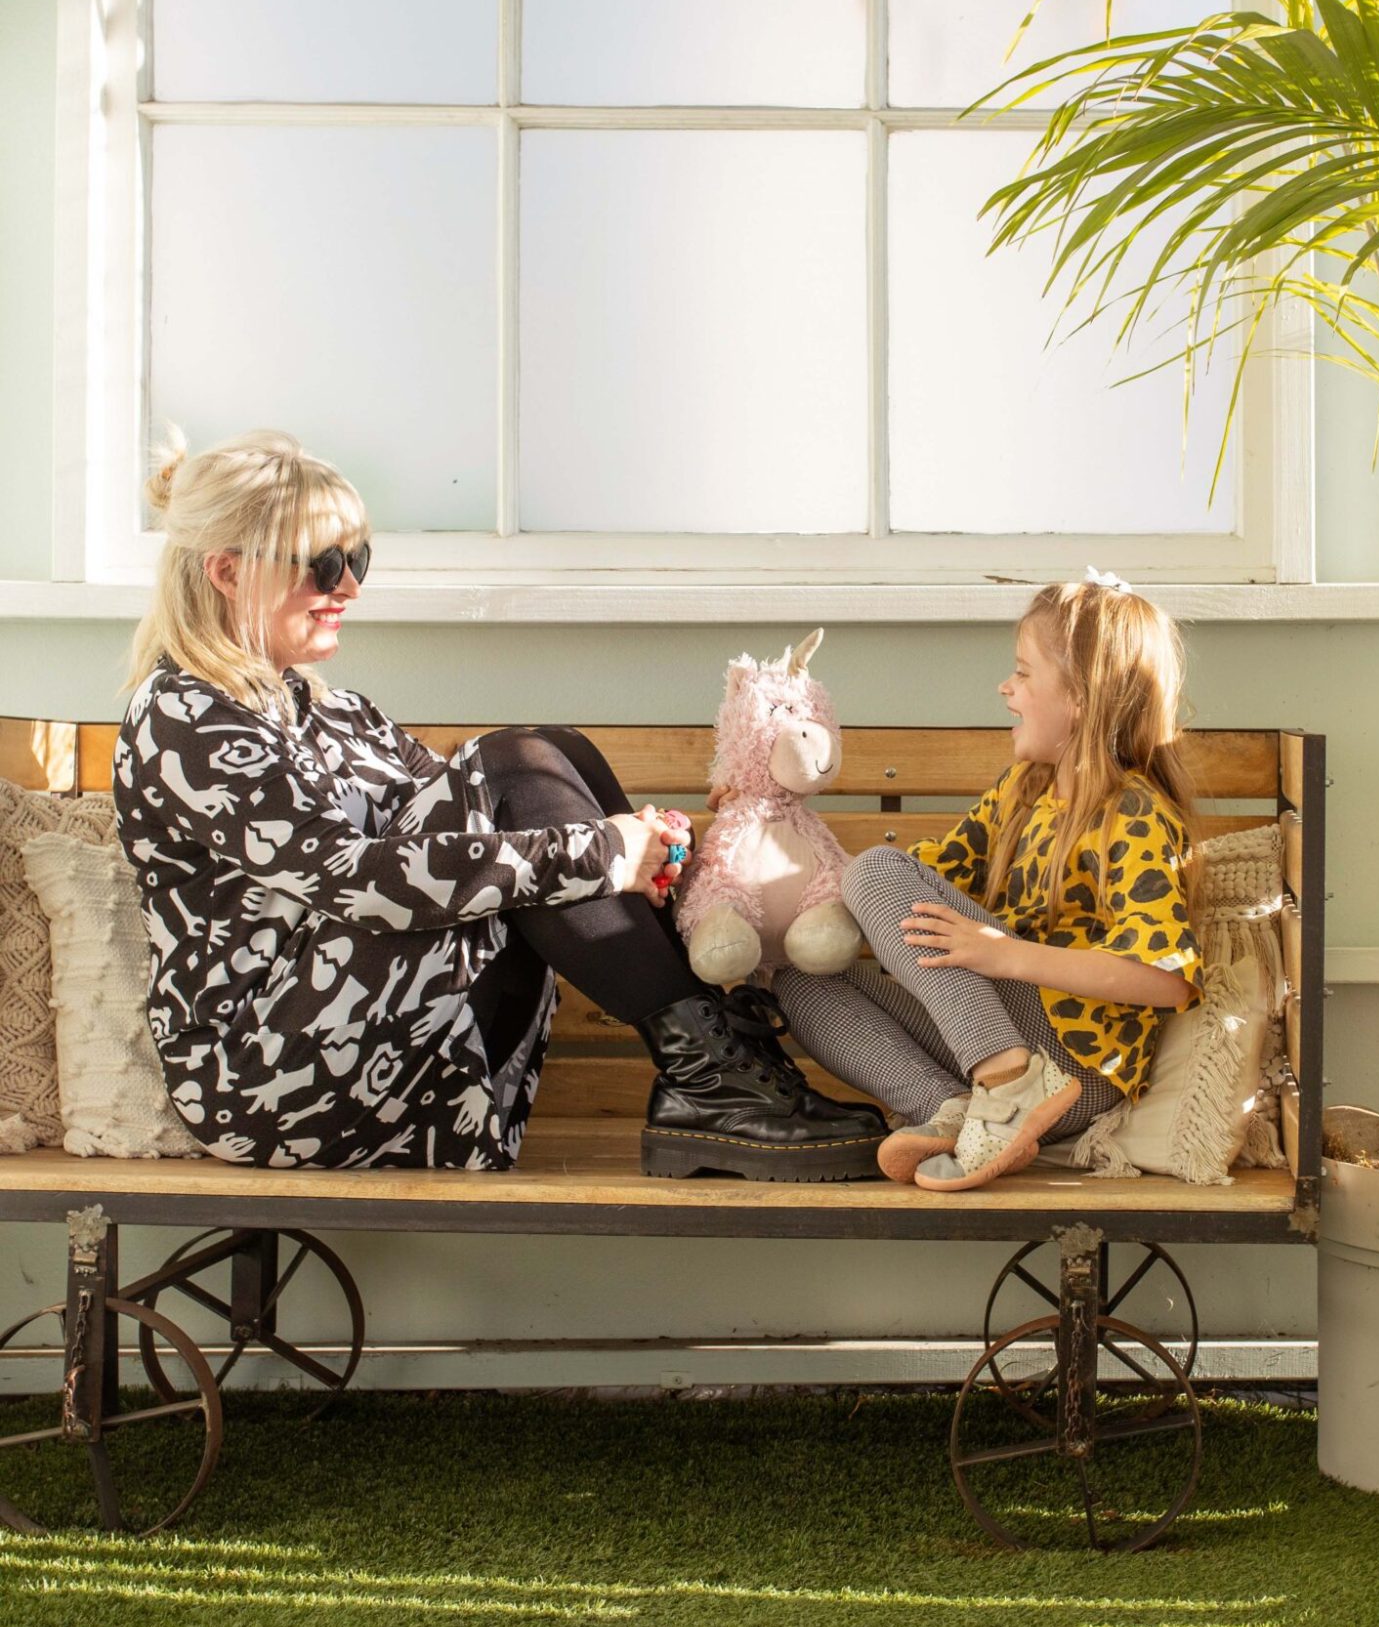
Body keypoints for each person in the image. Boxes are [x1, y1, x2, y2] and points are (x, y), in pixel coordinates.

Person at [111, 427, 884, 1180]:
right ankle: (717, 1083)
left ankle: (716, 1080)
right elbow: (358, 878)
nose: (347, 586)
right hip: (273, 1081)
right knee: (510, 765)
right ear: (226, 572)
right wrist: (600, 854)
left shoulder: (332, 711)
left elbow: (478, 819)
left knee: (547, 750)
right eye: (323, 565)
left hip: (399, 1047)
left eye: (357, 559)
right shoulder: (185, 718)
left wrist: (640, 849)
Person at [772, 577, 1204, 1191]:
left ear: (1081, 695)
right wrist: (765, 835)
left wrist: (1006, 956)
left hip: (1076, 1067)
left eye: (1024, 674)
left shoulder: (1132, 814)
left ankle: (1008, 1084)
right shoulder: (1023, 790)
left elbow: (1166, 979)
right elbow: (922, 881)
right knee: (802, 981)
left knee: (872, 868)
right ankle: (954, 1112)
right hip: (996, 1036)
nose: (1006, 686)